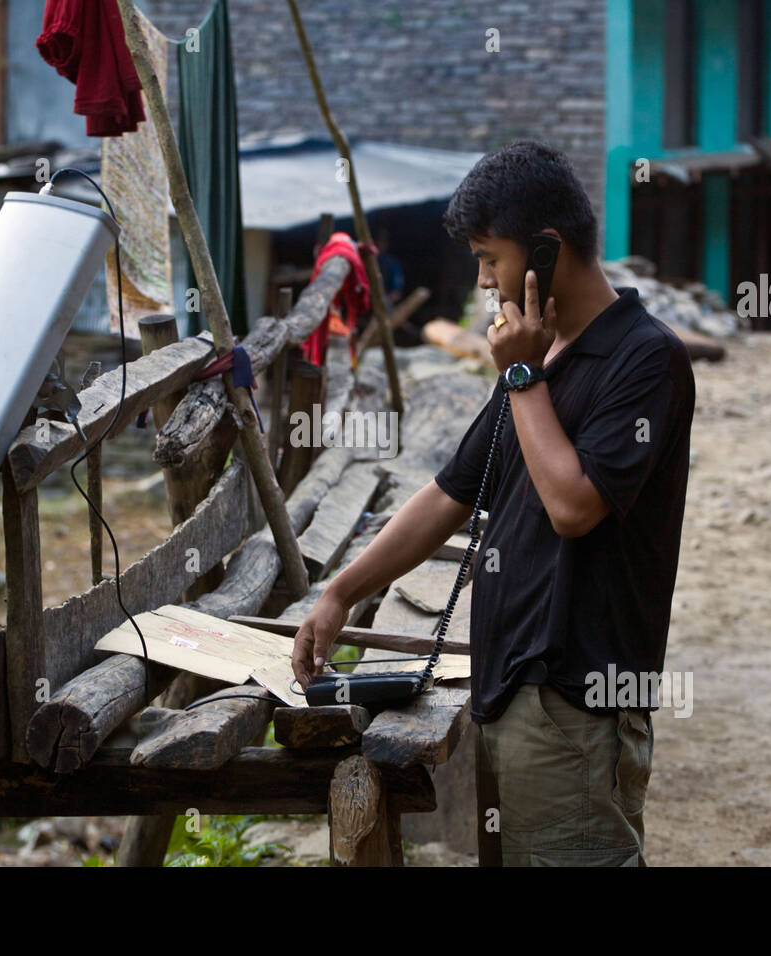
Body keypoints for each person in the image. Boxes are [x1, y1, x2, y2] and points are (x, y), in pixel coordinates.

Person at [290, 139, 696, 866]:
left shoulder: (645, 359)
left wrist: (521, 376)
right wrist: (341, 593)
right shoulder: (543, 360)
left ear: (545, 251)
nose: (482, 281)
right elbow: (449, 492)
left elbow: (575, 507)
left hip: (577, 704)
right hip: (510, 692)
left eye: (490, 258)